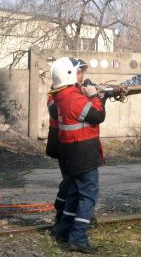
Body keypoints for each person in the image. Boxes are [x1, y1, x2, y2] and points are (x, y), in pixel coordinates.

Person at [50, 57, 114, 254]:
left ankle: (64, 230)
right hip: (83, 154)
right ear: (69, 74)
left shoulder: (60, 95)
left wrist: (92, 93)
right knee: (88, 197)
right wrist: (96, 97)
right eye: (79, 72)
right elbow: (97, 116)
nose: (82, 76)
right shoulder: (74, 98)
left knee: (75, 194)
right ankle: (78, 238)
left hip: (70, 153)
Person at [46, 58, 89, 235]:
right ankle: (61, 216)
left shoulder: (75, 91)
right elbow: (55, 109)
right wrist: (85, 96)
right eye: (79, 73)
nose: (81, 77)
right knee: (70, 183)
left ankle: (67, 219)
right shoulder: (57, 94)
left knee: (72, 183)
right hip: (63, 143)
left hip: (73, 143)